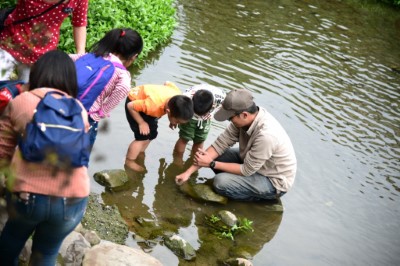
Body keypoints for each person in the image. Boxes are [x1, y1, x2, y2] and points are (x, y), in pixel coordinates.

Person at [0, 50, 90, 265]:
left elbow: (2, 151)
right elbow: (82, 155)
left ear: (37, 73)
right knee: (47, 253)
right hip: (73, 198)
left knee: (10, 243)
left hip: (29, 197)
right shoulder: (78, 109)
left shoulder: (22, 101)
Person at [176, 88, 297, 201]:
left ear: (244, 115)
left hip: (272, 180)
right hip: (254, 163)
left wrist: (211, 163)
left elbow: (246, 170)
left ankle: (259, 201)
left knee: (220, 183)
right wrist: (188, 173)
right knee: (215, 156)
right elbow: (220, 144)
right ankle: (237, 183)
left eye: (230, 118)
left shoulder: (267, 136)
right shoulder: (244, 120)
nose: (229, 121)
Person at [70, 28, 143, 147]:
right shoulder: (122, 75)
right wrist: (99, 114)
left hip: (62, 104)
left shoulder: (91, 56)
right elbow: (123, 89)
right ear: (134, 56)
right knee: (78, 161)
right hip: (87, 116)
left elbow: (66, 58)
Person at [0, 0, 88, 82]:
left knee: (27, 94)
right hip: (11, 42)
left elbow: (79, 23)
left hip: (40, 54)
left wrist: (80, 55)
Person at [125, 82, 194, 172]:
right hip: (134, 104)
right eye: (177, 121)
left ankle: (140, 152)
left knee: (152, 134)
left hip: (148, 104)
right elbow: (130, 106)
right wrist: (141, 122)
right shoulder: (152, 105)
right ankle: (129, 161)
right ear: (168, 112)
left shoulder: (177, 96)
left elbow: (168, 83)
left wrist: (173, 121)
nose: (178, 123)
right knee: (142, 137)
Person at [172, 84, 225, 166]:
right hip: (189, 116)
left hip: (206, 119)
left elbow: (225, 108)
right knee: (184, 138)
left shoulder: (221, 98)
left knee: (200, 139)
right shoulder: (186, 97)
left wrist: (211, 114)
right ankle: (177, 161)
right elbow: (175, 108)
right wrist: (174, 120)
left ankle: (195, 161)